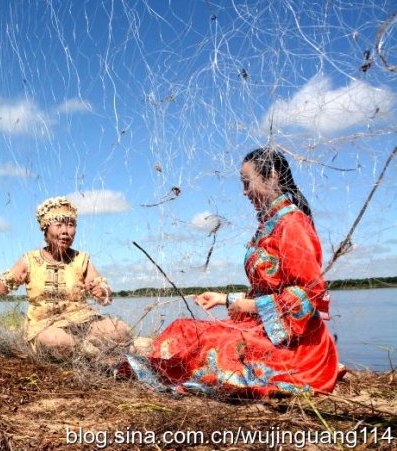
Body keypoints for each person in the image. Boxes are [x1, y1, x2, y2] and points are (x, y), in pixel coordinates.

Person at [117, 148, 339, 396]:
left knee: (215, 345)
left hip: (295, 344)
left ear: (273, 176)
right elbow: (268, 289)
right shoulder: (270, 224)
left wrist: (243, 306)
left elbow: (308, 295)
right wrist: (224, 299)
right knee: (184, 328)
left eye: (247, 183)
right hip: (262, 326)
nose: (244, 192)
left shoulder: (292, 224)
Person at [0, 196, 130, 354]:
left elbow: (102, 291)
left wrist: (102, 291)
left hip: (83, 323)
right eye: (59, 225)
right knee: (57, 341)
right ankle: (86, 350)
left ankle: (86, 348)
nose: (65, 231)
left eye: (70, 225)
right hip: (45, 327)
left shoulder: (81, 259)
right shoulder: (30, 260)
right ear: (46, 229)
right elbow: (2, 288)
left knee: (120, 329)